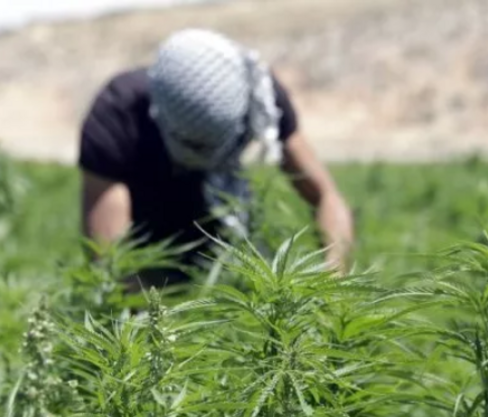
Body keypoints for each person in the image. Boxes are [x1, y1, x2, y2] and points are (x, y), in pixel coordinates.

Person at [78, 28, 354, 289]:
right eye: (194, 146)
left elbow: (327, 198)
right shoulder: (118, 113)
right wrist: (156, 322)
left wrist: (330, 282)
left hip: (231, 252)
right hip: (150, 253)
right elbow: (110, 260)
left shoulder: (260, 96)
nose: (207, 157)